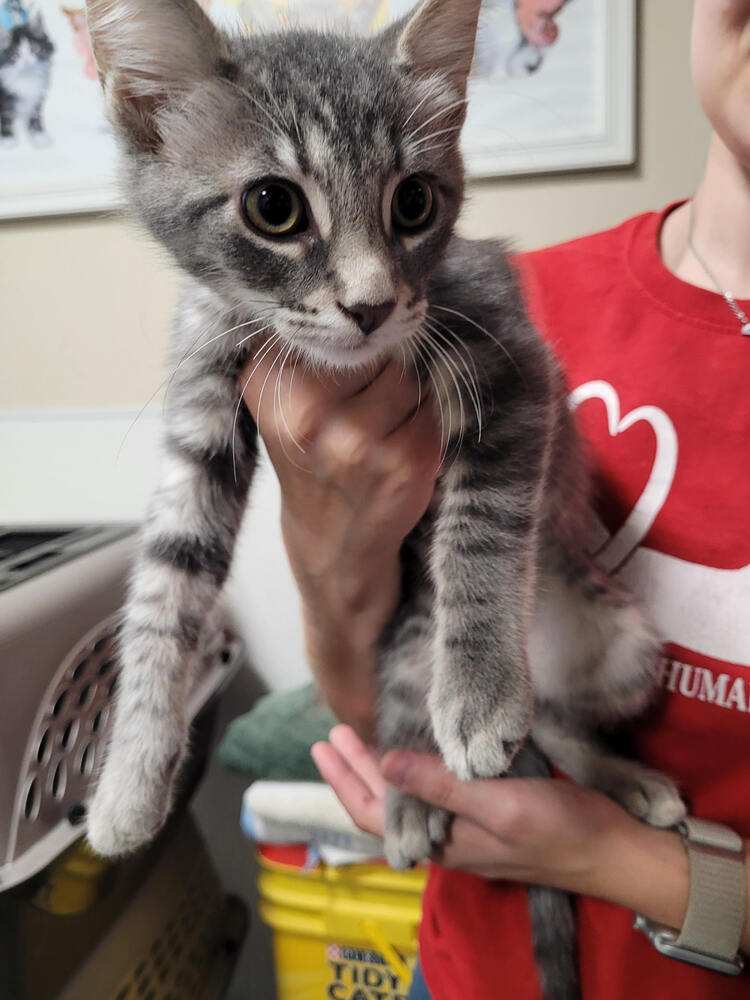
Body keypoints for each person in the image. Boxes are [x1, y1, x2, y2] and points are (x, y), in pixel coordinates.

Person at [241, 1, 750, 996]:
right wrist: (326, 554)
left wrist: (607, 859)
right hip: (464, 961)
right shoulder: (483, 300)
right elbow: (380, 676)